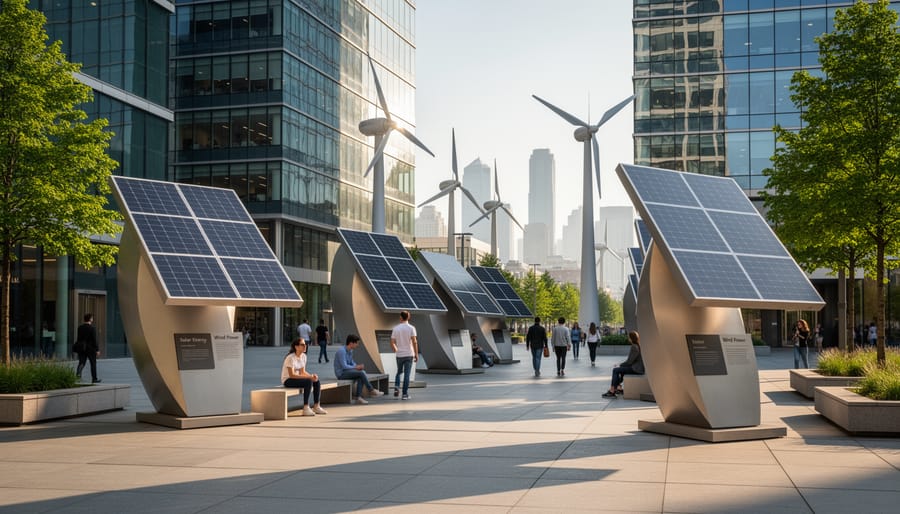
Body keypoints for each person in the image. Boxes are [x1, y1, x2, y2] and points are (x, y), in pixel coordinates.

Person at [333, 334, 384, 404]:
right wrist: (356, 367)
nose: (357, 345)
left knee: (361, 375)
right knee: (361, 373)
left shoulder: (350, 351)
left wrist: (357, 366)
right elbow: (344, 366)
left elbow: (351, 362)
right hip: (341, 374)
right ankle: (371, 390)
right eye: (356, 343)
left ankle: (359, 398)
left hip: (348, 372)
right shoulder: (341, 351)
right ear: (351, 343)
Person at [281, 339, 327, 416]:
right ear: (296, 347)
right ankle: (306, 407)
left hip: (297, 378)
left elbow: (302, 372)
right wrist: (309, 378)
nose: (305, 346)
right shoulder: (290, 358)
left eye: (305, 344)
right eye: (302, 344)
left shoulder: (303, 356)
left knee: (316, 381)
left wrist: (311, 376)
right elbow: (292, 375)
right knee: (308, 381)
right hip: (288, 380)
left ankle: (316, 406)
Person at [602, 331, 644, 398]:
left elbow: (629, 362)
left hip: (636, 369)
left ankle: (612, 391)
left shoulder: (634, 347)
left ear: (631, 338)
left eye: (629, 337)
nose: (628, 338)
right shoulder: (638, 345)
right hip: (637, 368)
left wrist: (620, 365)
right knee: (621, 370)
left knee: (615, 370)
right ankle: (619, 388)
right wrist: (621, 365)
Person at [390, 310, 418, 400]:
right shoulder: (411, 328)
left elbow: (392, 342)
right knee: (407, 374)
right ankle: (405, 394)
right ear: (408, 317)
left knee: (399, 372)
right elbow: (414, 342)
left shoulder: (396, 328)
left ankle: (396, 387)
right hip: (409, 354)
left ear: (400, 317)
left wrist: (396, 350)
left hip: (399, 355)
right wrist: (416, 354)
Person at [75, 314, 101, 383]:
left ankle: (78, 375)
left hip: (82, 348)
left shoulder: (80, 328)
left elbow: (79, 338)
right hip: (91, 349)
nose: (92, 319)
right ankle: (94, 379)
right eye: (92, 318)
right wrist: (97, 349)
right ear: (90, 319)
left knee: (82, 362)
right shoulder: (92, 328)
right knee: (93, 363)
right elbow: (94, 340)